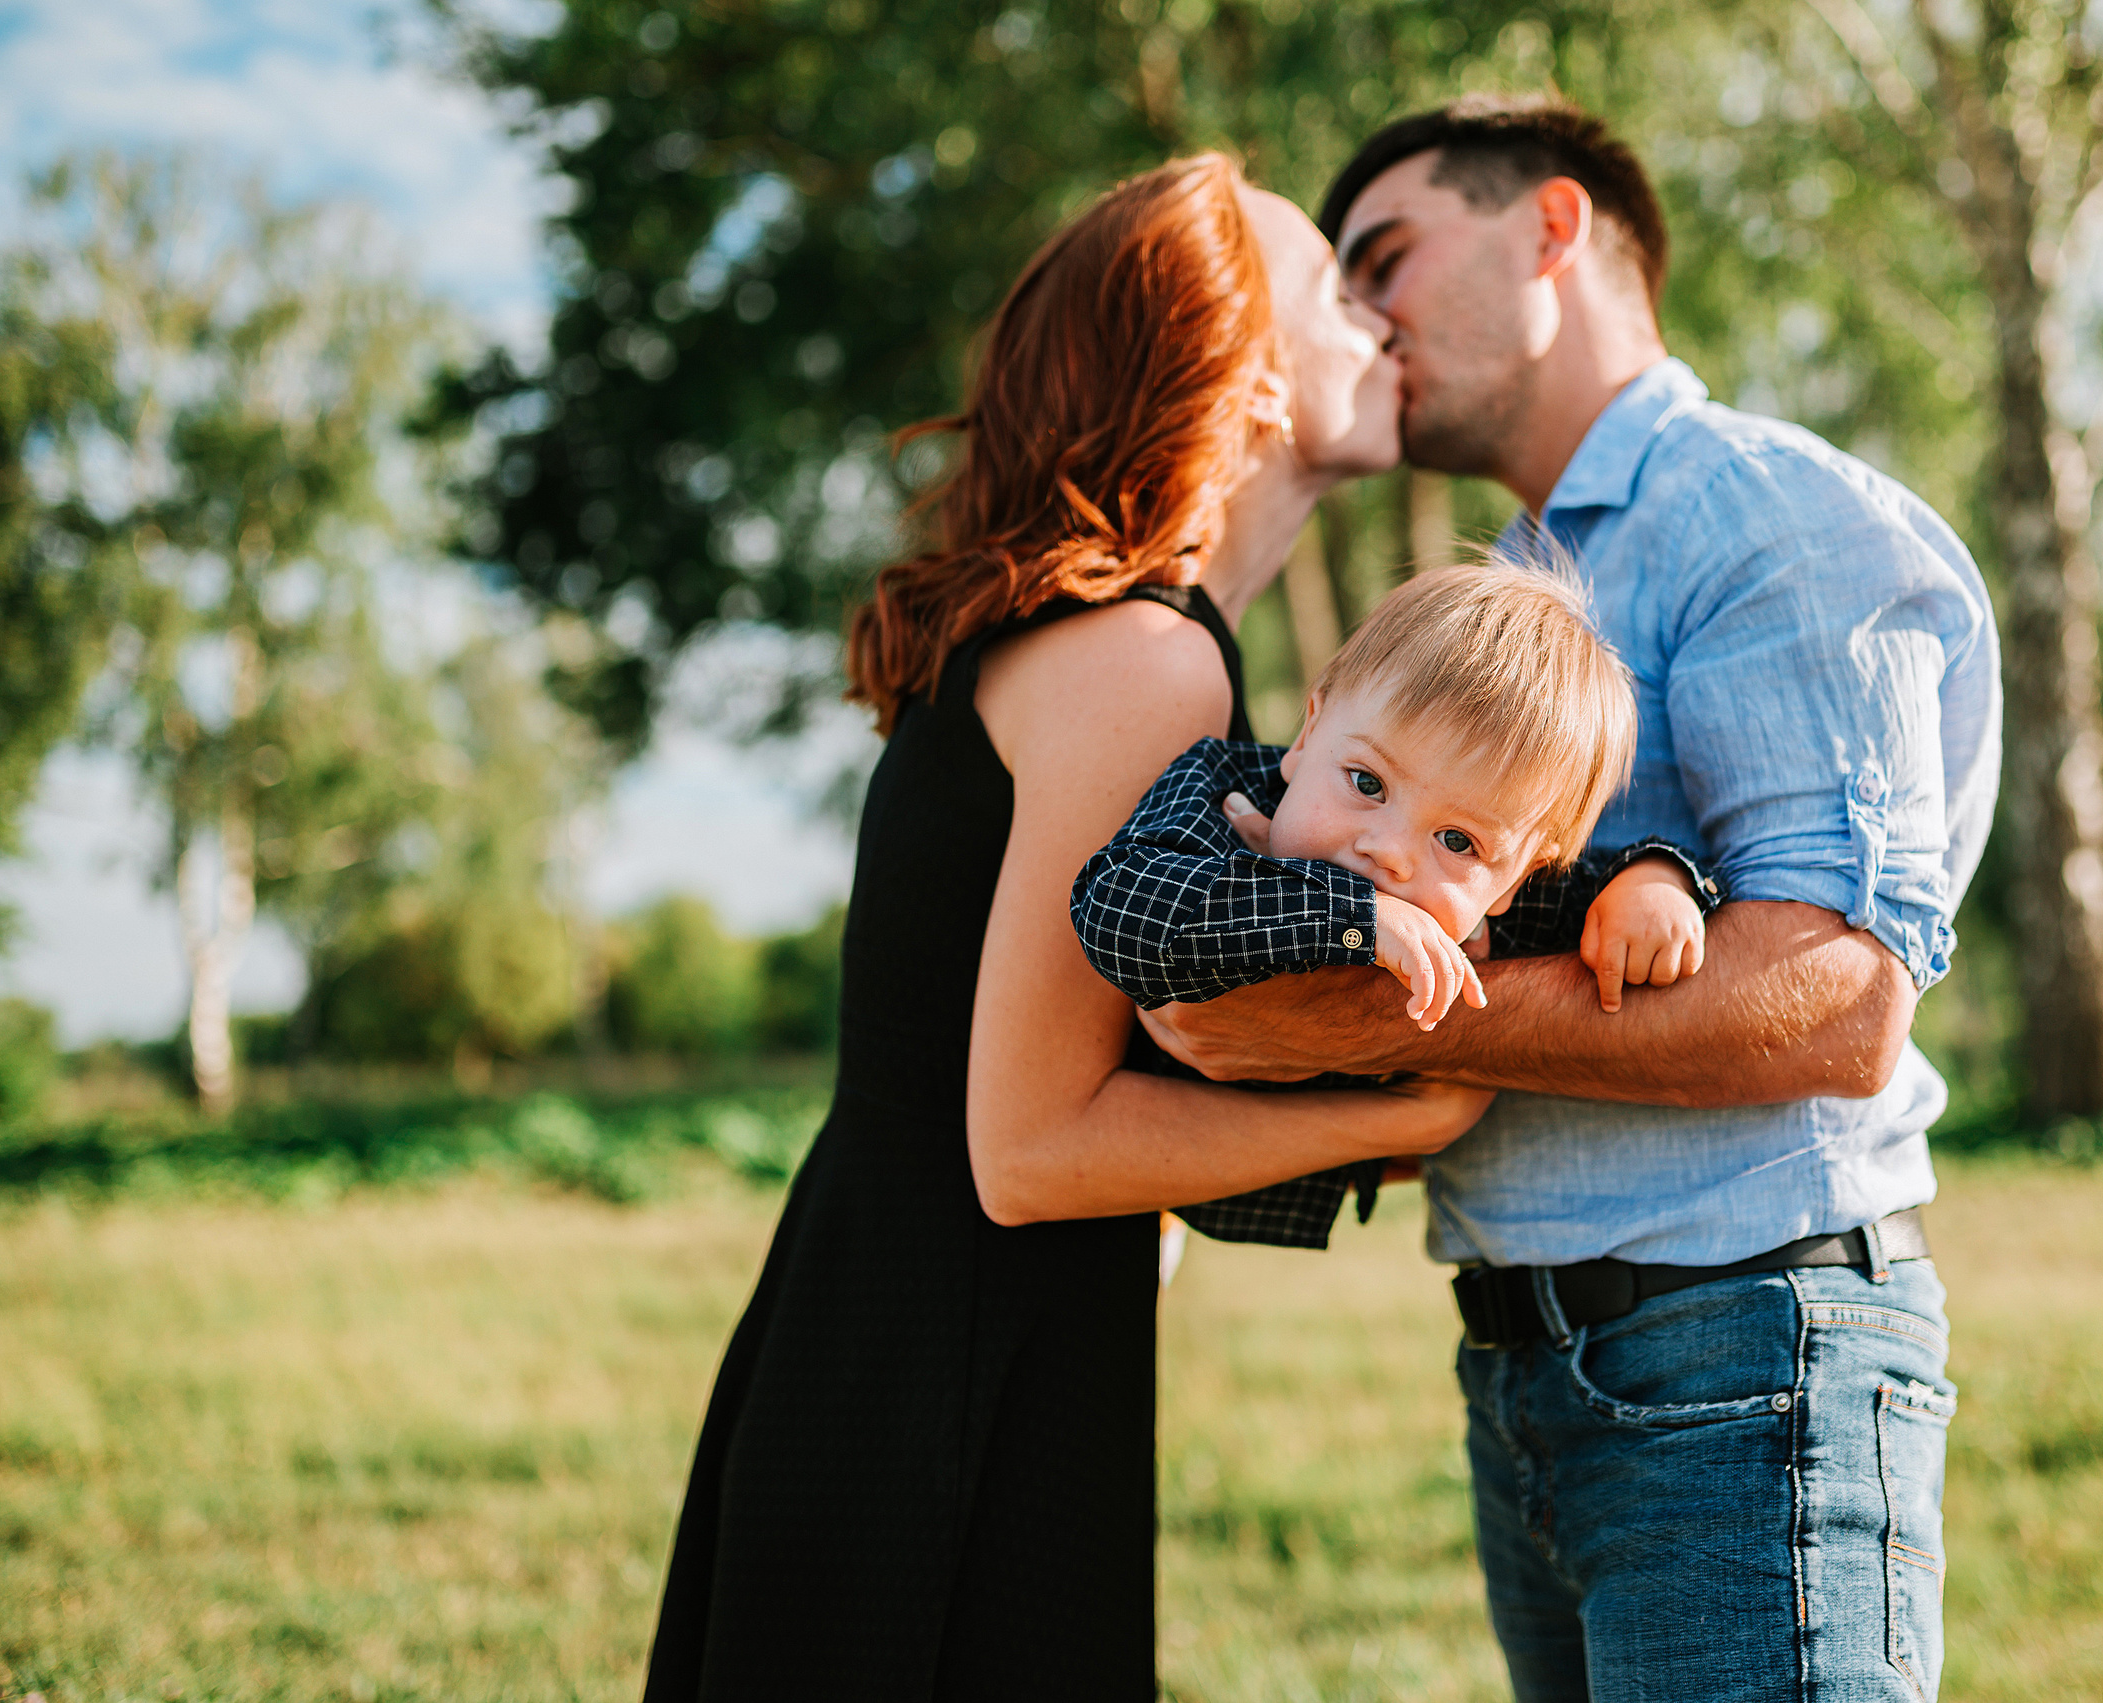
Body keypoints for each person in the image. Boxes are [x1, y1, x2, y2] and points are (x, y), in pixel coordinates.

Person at [1141, 100, 2002, 1703]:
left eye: (1387, 255)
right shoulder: (1505, 586)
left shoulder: (1762, 519)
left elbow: (1837, 997)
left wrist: (1346, 1012)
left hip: (1740, 1358)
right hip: (1528, 1363)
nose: (1366, 316)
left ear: (1552, 228)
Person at [641, 153, 1492, 1702]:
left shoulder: (1108, 642)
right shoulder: (1141, 664)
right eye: (1334, 292)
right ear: (1239, 377)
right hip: (941, 1370)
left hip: (911, 1327)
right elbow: (1030, 1151)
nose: (1380, 327)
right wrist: (1410, 1113)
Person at [1074, 560, 1718, 1033]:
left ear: (1517, 879)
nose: (1389, 855)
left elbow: (1609, 898)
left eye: (1458, 841)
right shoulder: (1226, 793)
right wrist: (1357, 919)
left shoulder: (1510, 908)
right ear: (1308, 736)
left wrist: (1653, 881)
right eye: (1367, 783)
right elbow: (1115, 911)